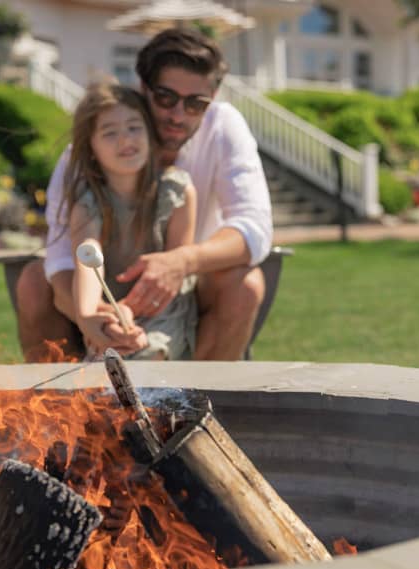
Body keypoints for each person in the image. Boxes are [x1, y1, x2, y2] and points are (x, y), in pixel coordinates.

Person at [17, 28, 272, 361]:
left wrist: (180, 261)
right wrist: (91, 314)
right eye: (166, 98)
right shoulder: (86, 153)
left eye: (195, 103)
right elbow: (64, 255)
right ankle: (59, 408)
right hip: (101, 289)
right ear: (144, 88)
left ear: (213, 97)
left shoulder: (222, 129)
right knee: (33, 281)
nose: (178, 115)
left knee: (246, 283)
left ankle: (201, 403)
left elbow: (254, 227)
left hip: (190, 291)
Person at [65, 81, 197, 360]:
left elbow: (174, 272)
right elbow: (88, 260)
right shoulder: (88, 203)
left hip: (163, 306)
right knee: (108, 371)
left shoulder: (177, 191)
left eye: (134, 128)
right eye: (110, 133)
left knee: (149, 357)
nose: (125, 140)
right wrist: (88, 314)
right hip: (110, 309)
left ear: (150, 134)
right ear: (91, 146)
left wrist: (132, 314)